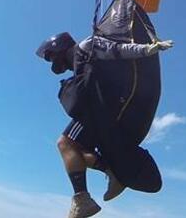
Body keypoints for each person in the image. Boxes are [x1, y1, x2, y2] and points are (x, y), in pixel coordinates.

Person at [37, 31, 174, 218]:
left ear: (58, 47)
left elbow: (117, 50)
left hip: (103, 110)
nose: (53, 62)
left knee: (65, 143)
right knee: (77, 151)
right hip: (101, 111)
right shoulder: (79, 62)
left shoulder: (86, 46)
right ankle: (112, 175)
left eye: (52, 56)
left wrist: (147, 49)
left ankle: (82, 199)